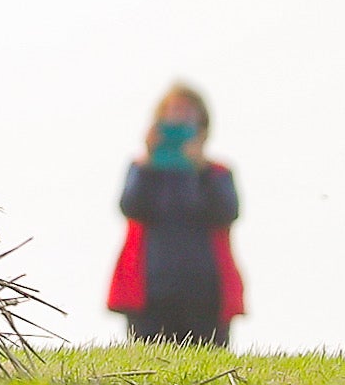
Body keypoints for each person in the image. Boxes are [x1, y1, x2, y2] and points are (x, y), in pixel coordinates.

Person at [105, 83, 245, 345]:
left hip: (206, 291)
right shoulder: (142, 169)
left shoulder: (217, 173)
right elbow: (131, 207)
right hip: (150, 289)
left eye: (186, 113)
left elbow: (226, 213)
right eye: (171, 113)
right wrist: (148, 160)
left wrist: (199, 168)